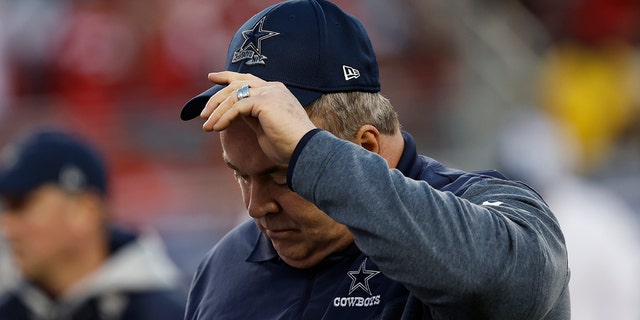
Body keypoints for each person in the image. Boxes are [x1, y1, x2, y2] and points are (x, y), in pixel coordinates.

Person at [179, 0, 570, 319]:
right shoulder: (224, 268)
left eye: (283, 174)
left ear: (365, 148)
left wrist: (311, 152)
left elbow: (513, 289)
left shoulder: (493, 209)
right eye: (241, 176)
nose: (255, 206)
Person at [0, 129, 186, 319]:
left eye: (20, 205)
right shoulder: (11, 310)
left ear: (85, 210)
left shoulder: (164, 313)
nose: (6, 227)